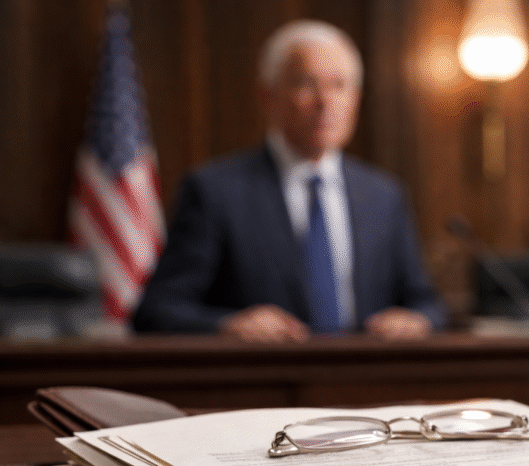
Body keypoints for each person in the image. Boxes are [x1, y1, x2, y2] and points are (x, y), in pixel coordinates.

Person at [132, 20, 446, 342]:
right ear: (268, 96)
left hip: (367, 382)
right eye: (307, 84)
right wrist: (229, 325)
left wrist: (415, 320)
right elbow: (158, 309)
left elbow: (427, 302)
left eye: (339, 85)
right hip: (260, 383)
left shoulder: (384, 196)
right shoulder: (215, 192)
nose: (326, 102)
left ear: (356, 98)